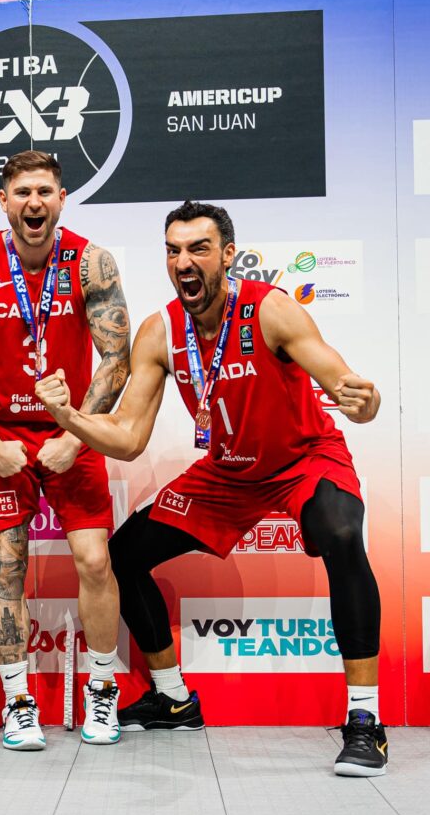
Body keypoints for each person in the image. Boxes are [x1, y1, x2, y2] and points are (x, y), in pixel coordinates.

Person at [35, 200, 387, 777]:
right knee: (124, 553)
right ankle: (172, 698)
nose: (184, 262)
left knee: (343, 533)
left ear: (227, 254)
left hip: (303, 459)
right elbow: (126, 439)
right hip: (226, 473)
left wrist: (364, 401)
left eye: (198, 249)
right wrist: (70, 418)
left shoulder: (270, 309)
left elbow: (343, 380)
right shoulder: (161, 330)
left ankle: (365, 721)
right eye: (173, 251)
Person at [0, 150, 131, 750]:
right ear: (4, 201)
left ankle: (100, 690)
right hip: (4, 438)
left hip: (74, 427)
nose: (33, 203)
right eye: (21, 193)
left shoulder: (92, 262)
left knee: (95, 560)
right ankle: (19, 700)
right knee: (6, 566)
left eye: (44, 191)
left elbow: (117, 357)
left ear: (62, 198)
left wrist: (75, 434)